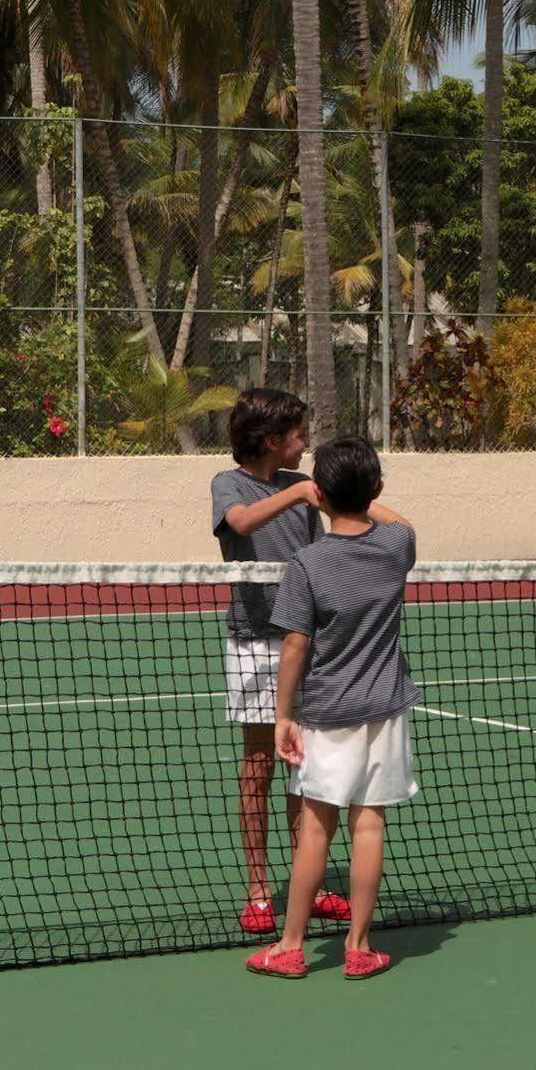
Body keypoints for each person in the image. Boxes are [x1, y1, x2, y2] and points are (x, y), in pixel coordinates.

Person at [245, 436, 420, 981]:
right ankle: (360, 946)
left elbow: (295, 647)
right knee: (368, 827)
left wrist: (283, 715)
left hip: (325, 714)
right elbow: (399, 521)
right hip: (385, 711)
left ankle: (291, 946)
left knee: (316, 829)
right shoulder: (397, 546)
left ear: (317, 493)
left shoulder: (307, 562)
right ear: (377, 490)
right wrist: (368, 499)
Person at [212, 389, 350, 936]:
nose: (305, 443)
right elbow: (241, 524)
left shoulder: (305, 488)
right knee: (259, 767)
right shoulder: (230, 483)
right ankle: (259, 891)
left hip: (307, 644)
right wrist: (299, 497)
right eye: (297, 436)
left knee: (309, 769)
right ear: (272, 442)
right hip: (254, 643)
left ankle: (306, 887)